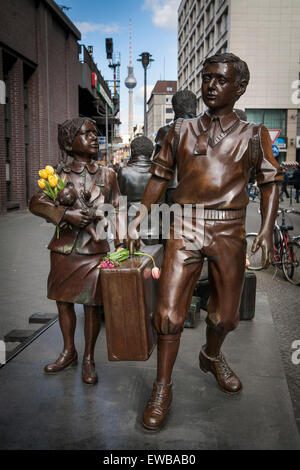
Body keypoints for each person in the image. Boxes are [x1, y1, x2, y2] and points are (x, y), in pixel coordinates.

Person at [128, 52, 282, 430]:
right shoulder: (181, 130)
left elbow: (270, 182)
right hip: (186, 225)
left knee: (226, 317)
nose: (210, 86)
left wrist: (265, 226)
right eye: (206, 77)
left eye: (220, 80)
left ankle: (211, 356)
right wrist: (139, 216)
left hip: (229, 230)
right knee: (167, 313)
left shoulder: (253, 134)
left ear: (240, 88)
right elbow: (160, 176)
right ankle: (162, 386)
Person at [29, 117, 121, 385]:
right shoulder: (57, 174)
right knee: (63, 302)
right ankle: (69, 350)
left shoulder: (108, 174)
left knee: (92, 305)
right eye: (87, 133)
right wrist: (66, 214)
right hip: (64, 249)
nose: (94, 138)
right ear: (70, 143)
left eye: (96, 133)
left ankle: (89, 357)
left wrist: (125, 242)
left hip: (95, 250)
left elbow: (119, 209)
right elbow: (36, 203)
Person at [154, 90, 197, 205]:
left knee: (171, 222)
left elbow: (157, 165)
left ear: (174, 108)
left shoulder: (165, 131)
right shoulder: (205, 129)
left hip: (172, 187)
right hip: (199, 186)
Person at [118, 136, 161, 244]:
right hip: (155, 227)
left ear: (132, 151)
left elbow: (120, 205)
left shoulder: (124, 172)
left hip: (131, 226)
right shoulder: (158, 172)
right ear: (151, 152)